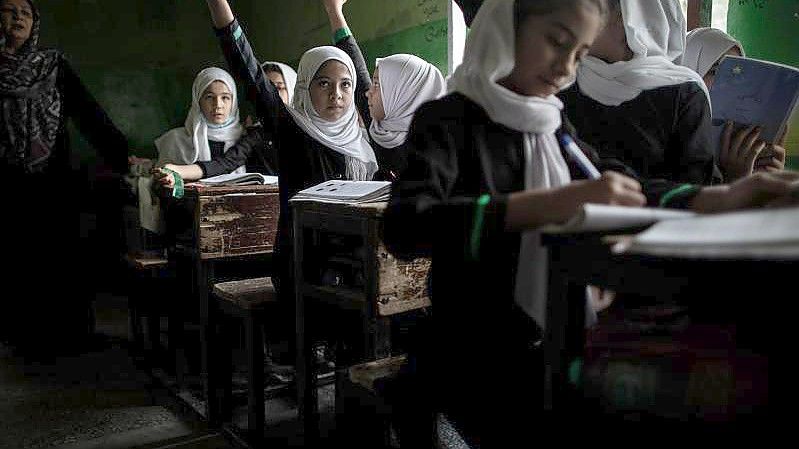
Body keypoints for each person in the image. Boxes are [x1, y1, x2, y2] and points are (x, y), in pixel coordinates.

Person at [383, 0, 799, 445]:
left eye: (579, 54)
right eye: (556, 42)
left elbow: (619, 186)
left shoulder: (551, 124)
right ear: (505, 29)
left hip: (548, 340)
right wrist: (547, 204)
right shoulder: (449, 119)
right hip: (472, 346)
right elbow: (406, 225)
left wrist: (718, 196)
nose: (566, 68)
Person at [204, 0, 377, 357]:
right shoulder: (292, 131)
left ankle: (352, 373)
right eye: (324, 84)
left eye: (345, 85)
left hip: (350, 261)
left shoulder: (364, 138)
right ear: (305, 88)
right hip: (304, 263)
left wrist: (336, 14)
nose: (337, 95)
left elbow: (359, 74)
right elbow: (246, 68)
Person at [0, 0, 132, 353]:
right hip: (6, 182)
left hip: (53, 178)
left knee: (62, 256)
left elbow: (88, 112)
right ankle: (24, 339)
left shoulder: (52, 66)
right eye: (10, 10)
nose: (18, 18)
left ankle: (71, 336)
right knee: (15, 260)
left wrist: (124, 155)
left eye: (25, 13)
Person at [323, 0, 446, 179]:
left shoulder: (437, 148)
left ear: (403, 94)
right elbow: (358, 70)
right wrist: (334, 10)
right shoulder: (380, 128)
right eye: (373, 84)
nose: (368, 92)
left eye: (378, 85)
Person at [682, 26, 786, 180]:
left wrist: (768, 178)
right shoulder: (671, 136)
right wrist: (735, 180)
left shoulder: (740, 132)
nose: (731, 82)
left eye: (738, 73)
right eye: (715, 70)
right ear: (688, 69)